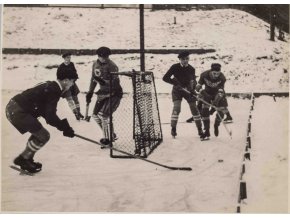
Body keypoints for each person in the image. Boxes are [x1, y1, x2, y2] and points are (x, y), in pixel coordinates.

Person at [6, 71, 76, 173]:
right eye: (72, 81)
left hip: (14, 107)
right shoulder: (54, 90)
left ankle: (27, 160)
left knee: (38, 133)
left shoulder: (50, 85)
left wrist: (64, 127)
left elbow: (44, 111)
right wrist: (64, 127)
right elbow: (50, 116)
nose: (72, 84)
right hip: (18, 110)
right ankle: (22, 159)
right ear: (65, 80)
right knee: (44, 135)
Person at [86, 46, 123, 145]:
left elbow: (115, 83)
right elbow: (93, 79)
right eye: (101, 56)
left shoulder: (112, 66)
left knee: (104, 115)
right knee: (95, 115)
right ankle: (111, 134)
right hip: (102, 93)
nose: (103, 58)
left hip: (114, 93)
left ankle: (107, 139)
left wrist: (103, 82)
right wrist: (90, 92)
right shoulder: (95, 64)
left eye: (105, 57)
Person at [163, 51, 203, 139]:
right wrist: (175, 83)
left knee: (194, 108)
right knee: (177, 108)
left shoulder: (191, 69)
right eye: (183, 59)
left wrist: (192, 90)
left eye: (187, 59)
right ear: (180, 59)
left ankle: (200, 129)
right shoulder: (175, 67)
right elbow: (165, 78)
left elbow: (193, 80)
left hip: (188, 90)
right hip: (177, 90)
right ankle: (173, 128)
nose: (185, 61)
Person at [195, 63, 233, 140]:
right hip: (207, 93)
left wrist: (214, 105)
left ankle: (216, 125)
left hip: (217, 94)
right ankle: (207, 130)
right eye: (214, 73)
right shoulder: (204, 75)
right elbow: (197, 87)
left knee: (221, 111)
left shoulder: (222, 77)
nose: (216, 75)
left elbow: (220, 92)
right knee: (204, 111)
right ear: (211, 71)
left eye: (218, 73)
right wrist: (203, 93)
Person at [57, 52, 84, 121]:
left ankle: (79, 112)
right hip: (65, 85)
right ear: (64, 58)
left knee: (75, 99)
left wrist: (72, 81)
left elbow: (75, 74)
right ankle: (76, 114)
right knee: (70, 100)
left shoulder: (71, 64)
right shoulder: (61, 67)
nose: (68, 59)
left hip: (72, 83)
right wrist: (65, 84)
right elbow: (59, 78)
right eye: (67, 57)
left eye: (69, 57)